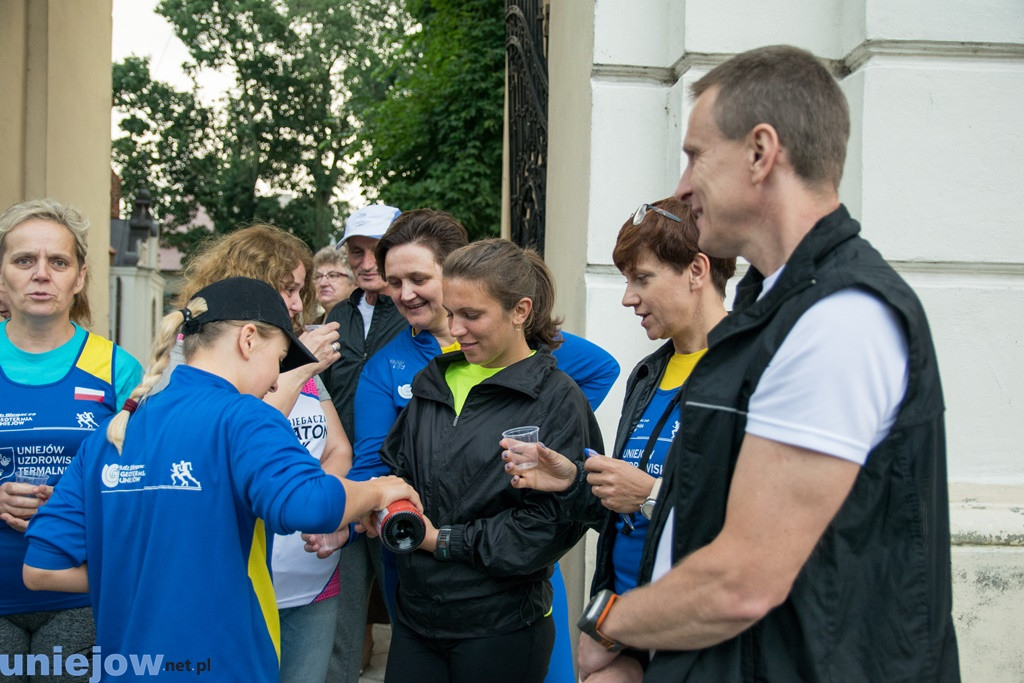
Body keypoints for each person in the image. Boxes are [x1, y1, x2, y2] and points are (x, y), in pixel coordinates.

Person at [569, 45, 960, 681]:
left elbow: (741, 582)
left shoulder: (841, 318)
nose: (681, 186)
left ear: (760, 152)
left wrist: (609, 624)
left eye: (695, 155)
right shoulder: (769, 311)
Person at [22, 277, 420, 682]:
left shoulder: (112, 434)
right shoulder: (244, 415)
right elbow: (309, 504)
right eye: (280, 360)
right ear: (248, 339)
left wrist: (145, 573)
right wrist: (379, 489)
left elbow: (42, 568)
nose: (274, 381)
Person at [346, 208, 619, 682]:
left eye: (471, 316)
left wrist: (443, 541)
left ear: (520, 311)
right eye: (451, 314)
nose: (454, 330)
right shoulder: (433, 380)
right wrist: (383, 506)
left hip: (500, 626)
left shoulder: (557, 399)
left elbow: (550, 527)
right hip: (416, 620)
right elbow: (393, 469)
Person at [507, 197, 734, 603]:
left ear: (697, 270)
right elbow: (623, 514)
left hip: (698, 631)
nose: (628, 298)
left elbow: (770, 528)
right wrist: (573, 482)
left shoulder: (754, 372)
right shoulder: (647, 374)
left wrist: (651, 494)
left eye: (642, 279)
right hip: (626, 615)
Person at [175, 225, 351, 683]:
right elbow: (236, 435)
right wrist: (296, 366)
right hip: (238, 582)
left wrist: (329, 513)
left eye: (301, 291)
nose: (297, 304)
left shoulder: (295, 358)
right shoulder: (197, 360)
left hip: (312, 578)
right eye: (286, 289)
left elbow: (337, 448)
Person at [0, 199, 143, 678]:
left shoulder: (118, 368)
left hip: (82, 597)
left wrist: (75, 502)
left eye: (58, 262)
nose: (42, 274)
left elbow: (145, 481)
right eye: (24, 261)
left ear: (79, 277)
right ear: (2, 276)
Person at [321, 204, 408, 682]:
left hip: (401, 486)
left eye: (378, 250)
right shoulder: (339, 315)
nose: (368, 261)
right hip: (346, 483)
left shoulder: (421, 312)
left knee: (409, 610)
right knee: (342, 615)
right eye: (357, 251)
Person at [312, 245, 356, 321]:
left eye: (333, 275)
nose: (323, 283)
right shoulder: (307, 329)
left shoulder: (365, 327)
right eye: (318, 276)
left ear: (354, 282)